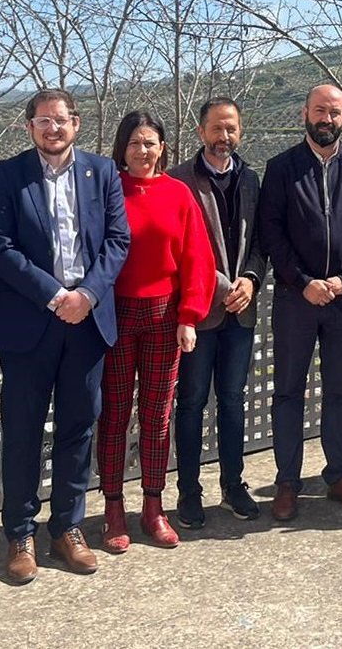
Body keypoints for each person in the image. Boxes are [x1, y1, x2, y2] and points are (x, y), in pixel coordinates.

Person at [0, 89, 130, 582]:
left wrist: (86, 295)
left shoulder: (102, 172)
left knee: (78, 428)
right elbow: (0, 248)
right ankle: (20, 534)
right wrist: (55, 296)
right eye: (43, 121)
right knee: (22, 430)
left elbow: (117, 240)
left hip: (87, 323)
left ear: (77, 123)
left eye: (61, 120)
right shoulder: (8, 175)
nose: (53, 129)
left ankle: (67, 527)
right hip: (30, 323)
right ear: (29, 127)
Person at [257, 83, 342, 521]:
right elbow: (271, 232)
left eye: (334, 112)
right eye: (319, 111)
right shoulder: (281, 168)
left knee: (340, 392)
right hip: (296, 299)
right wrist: (303, 281)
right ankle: (287, 483)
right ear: (304, 113)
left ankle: (339, 477)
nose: (326, 119)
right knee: (289, 393)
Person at [96, 112, 215, 551]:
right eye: (134, 143)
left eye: (150, 143)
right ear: (121, 148)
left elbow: (196, 259)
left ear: (162, 147)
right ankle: (112, 508)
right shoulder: (107, 190)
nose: (142, 151)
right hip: (115, 313)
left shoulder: (178, 193)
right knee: (113, 413)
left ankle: (152, 505)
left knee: (156, 415)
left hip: (164, 315)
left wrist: (189, 316)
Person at [168, 97, 267, 529]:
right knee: (190, 403)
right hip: (197, 312)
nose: (223, 137)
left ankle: (234, 484)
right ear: (200, 131)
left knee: (232, 401)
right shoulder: (179, 181)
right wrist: (226, 286)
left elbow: (261, 241)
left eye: (231, 129)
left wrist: (250, 280)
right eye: (216, 129)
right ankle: (189, 492)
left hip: (239, 315)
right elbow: (179, 249)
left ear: (239, 132)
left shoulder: (250, 179)